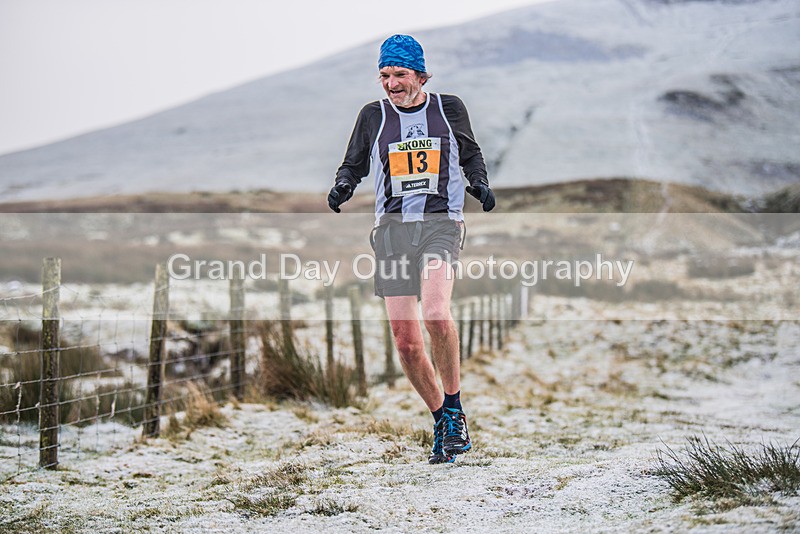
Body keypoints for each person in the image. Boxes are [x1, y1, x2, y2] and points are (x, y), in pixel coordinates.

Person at [328, 34, 495, 464]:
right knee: (405, 343)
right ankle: (442, 419)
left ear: (420, 75)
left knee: (436, 312)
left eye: (399, 74)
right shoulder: (374, 115)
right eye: (384, 75)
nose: (391, 83)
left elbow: (470, 154)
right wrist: (343, 185)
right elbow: (354, 163)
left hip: (441, 225)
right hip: (393, 233)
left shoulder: (448, 108)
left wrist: (479, 183)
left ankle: (454, 409)